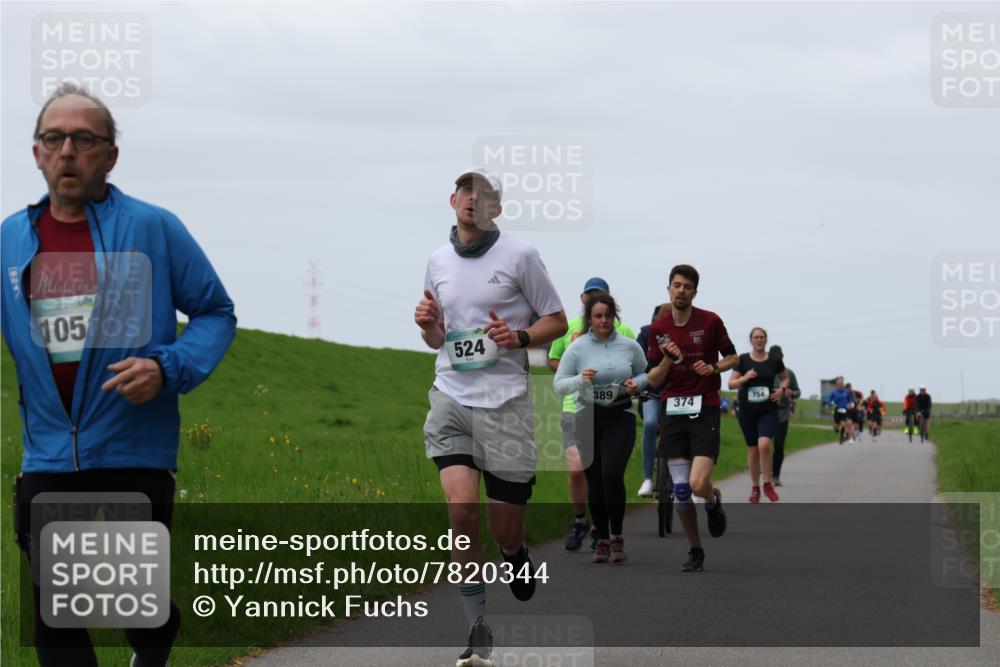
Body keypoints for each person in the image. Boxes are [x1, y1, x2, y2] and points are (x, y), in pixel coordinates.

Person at [2, 83, 237, 667]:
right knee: (57, 611)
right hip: (50, 455)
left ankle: (155, 640)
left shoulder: (153, 228)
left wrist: (166, 365)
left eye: (84, 139)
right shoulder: (9, 240)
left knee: (137, 603)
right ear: (36, 153)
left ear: (110, 154)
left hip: (134, 448)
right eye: (54, 138)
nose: (67, 151)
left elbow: (215, 312)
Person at [414, 167, 567, 667]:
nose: (472, 200)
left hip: (505, 403)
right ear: (452, 199)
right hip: (451, 396)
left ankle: (514, 554)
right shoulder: (436, 260)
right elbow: (439, 340)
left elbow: (556, 319)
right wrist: (431, 328)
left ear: (496, 209)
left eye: (484, 196)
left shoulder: (520, 255)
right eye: (465, 191)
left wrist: (520, 338)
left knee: (504, 528)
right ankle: (476, 627)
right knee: (461, 512)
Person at [647, 264, 738, 572]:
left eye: (687, 286)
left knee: (698, 484)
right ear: (669, 289)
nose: (681, 290)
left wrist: (713, 369)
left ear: (694, 291)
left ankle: (712, 501)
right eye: (676, 285)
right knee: (682, 490)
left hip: (705, 407)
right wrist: (666, 360)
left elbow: (733, 357)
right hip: (672, 409)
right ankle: (695, 549)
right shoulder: (659, 329)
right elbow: (654, 379)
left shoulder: (710, 321)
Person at [553, 293, 647, 563]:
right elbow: (559, 385)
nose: (603, 320)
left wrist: (636, 384)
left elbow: (645, 374)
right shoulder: (578, 347)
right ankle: (602, 539)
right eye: (598, 316)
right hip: (587, 415)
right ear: (589, 319)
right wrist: (580, 379)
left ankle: (617, 536)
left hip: (621, 416)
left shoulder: (630, 346)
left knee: (611, 475)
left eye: (607, 315)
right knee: (593, 478)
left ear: (614, 316)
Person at [728, 328, 789, 503]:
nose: (759, 340)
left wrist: (782, 390)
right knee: (753, 450)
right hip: (747, 411)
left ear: (766, 340)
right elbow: (731, 384)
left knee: (764, 445)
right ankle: (755, 487)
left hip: (768, 410)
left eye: (762, 337)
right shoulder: (743, 360)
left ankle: (767, 483)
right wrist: (745, 378)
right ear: (751, 340)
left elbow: (784, 379)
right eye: (756, 337)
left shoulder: (774, 360)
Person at [634, 303, 669, 498]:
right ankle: (647, 478)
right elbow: (635, 360)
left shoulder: (683, 334)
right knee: (649, 424)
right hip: (652, 393)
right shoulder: (645, 335)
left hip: (677, 394)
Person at [768, 345, 800, 487]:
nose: (776, 360)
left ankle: (776, 475)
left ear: (782, 357)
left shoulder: (789, 373)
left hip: (782, 414)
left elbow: (798, 392)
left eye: (778, 357)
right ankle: (767, 471)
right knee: (764, 445)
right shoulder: (764, 371)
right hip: (765, 413)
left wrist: (791, 393)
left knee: (779, 446)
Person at [829, 377, 855, 443]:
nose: (840, 385)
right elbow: (830, 401)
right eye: (839, 384)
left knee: (846, 423)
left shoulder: (847, 392)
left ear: (843, 384)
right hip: (837, 410)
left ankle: (845, 438)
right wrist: (833, 404)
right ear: (837, 385)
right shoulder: (834, 393)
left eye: (841, 384)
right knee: (836, 426)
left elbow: (851, 401)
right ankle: (837, 429)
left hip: (845, 410)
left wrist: (851, 405)